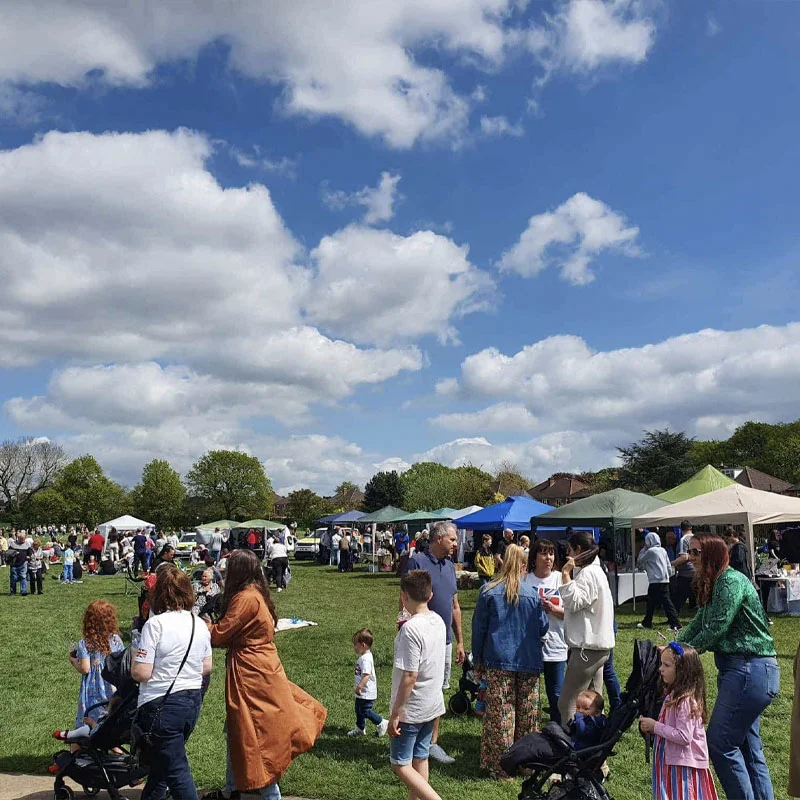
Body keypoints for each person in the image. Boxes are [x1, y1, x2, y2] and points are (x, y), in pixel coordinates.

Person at [202, 550, 326, 800]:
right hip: (261, 667)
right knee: (238, 729)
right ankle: (230, 789)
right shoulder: (256, 594)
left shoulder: (246, 599)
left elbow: (219, 635)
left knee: (257, 734)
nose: (224, 572)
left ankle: (271, 795)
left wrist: (199, 624)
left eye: (228, 568)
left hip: (251, 674)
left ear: (238, 571)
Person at [677, 533, 778, 800]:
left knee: (720, 743)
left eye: (697, 553)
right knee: (747, 747)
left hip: (749, 670)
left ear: (713, 554)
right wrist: (676, 644)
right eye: (690, 552)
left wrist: (681, 653)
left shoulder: (730, 582)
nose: (691, 558)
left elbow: (715, 630)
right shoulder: (715, 582)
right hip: (742, 672)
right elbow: (700, 621)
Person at [132, 566, 213, 800]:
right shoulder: (197, 623)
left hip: (161, 704)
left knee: (177, 770)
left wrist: (144, 662)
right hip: (191, 701)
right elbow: (207, 666)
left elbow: (141, 672)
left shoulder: (155, 625)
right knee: (162, 765)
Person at [472, 544, 549, 779]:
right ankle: (526, 762)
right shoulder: (532, 595)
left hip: (498, 660)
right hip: (528, 660)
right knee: (527, 716)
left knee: (500, 715)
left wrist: (478, 660)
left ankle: (500, 766)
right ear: (524, 565)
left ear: (503, 562)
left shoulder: (489, 591)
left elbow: (479, 630)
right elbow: (543, 627)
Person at [406, 521, 464, 764]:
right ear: (439, 538)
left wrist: (460, 641)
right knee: (417, 688)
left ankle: (432, 743)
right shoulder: (418, 562)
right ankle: (409, 738)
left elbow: (454, 606)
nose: (455, 544)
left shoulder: (450, 566)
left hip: (445, 641)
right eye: (452, 540)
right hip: (423, 639)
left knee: (439, 690)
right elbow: (406, 600)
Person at [388, 569, 447, 800]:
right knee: (420, 758)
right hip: (432, 705)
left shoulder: (410, 629)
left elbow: (410, 675)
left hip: (411, 710)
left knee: (400, 764)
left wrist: (396, 713)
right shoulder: (438, 621)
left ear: (404, 596)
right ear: (430, 595)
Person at [639, 642, 718, 800]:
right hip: (672, 764)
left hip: (682, 768)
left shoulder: (685, 701)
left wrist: (655, 727)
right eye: (662, 664)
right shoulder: (674, 695)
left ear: (683, 671)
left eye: (666, 665)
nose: (661, 669)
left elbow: (684, 736)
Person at [558, 530, 615, 724]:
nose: (568, 553)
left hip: (587, 649)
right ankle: (595, 747)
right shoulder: (597, 571)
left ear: (578, 550)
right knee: (593, 703)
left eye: (570, 549)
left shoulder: (588, 573)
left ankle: (571, 746)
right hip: (597, 647)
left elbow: (574, 602)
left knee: (567, 703)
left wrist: (565, 574)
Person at [525, 538, 568, 724]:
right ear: (534, 557)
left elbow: (572, 613)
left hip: (556, 644)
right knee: (527, 694)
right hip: (528, 646)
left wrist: (554, 610)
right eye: (543, 553)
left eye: (551, 553)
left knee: (557, 694)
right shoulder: (525, 580)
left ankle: (559, 733)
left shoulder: (560, 578)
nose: (548, 557)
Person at [70, 600, 125, 730]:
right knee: (110, 714)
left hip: (94, 688)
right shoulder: (116, 639)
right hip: (112, 684)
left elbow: (85, 668)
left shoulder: (85, 643)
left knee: (91, 714)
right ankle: (111, 739)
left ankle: (86, 736)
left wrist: (73, 662)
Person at [348, 628, 389, 737]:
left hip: (366, 692)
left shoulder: (365, 659)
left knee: (365, 711)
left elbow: (366, 675)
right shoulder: (364, 657)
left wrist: (360, 687)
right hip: (362, 693)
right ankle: (360, 728)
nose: (354, 647)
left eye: (356, 645)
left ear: (363, 645)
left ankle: (381, 722)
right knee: (358, 710)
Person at [637, 531, 682, 630]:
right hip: (664, 579)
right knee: (652, 602)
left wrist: (644, 548)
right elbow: (668, 565)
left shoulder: (650, 551)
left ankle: (675, 624)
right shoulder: (663, 550)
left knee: (664, 603)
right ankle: (647, 622)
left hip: (655, 580)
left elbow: (640, 560)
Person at [671, 521, 697, 615]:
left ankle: (673, 619)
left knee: (678, 598)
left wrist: (671, 563)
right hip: (697, 571)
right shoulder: (696, 538)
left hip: (686, 572)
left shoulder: (684, 540)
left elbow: (684, 557)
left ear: (681, 529)